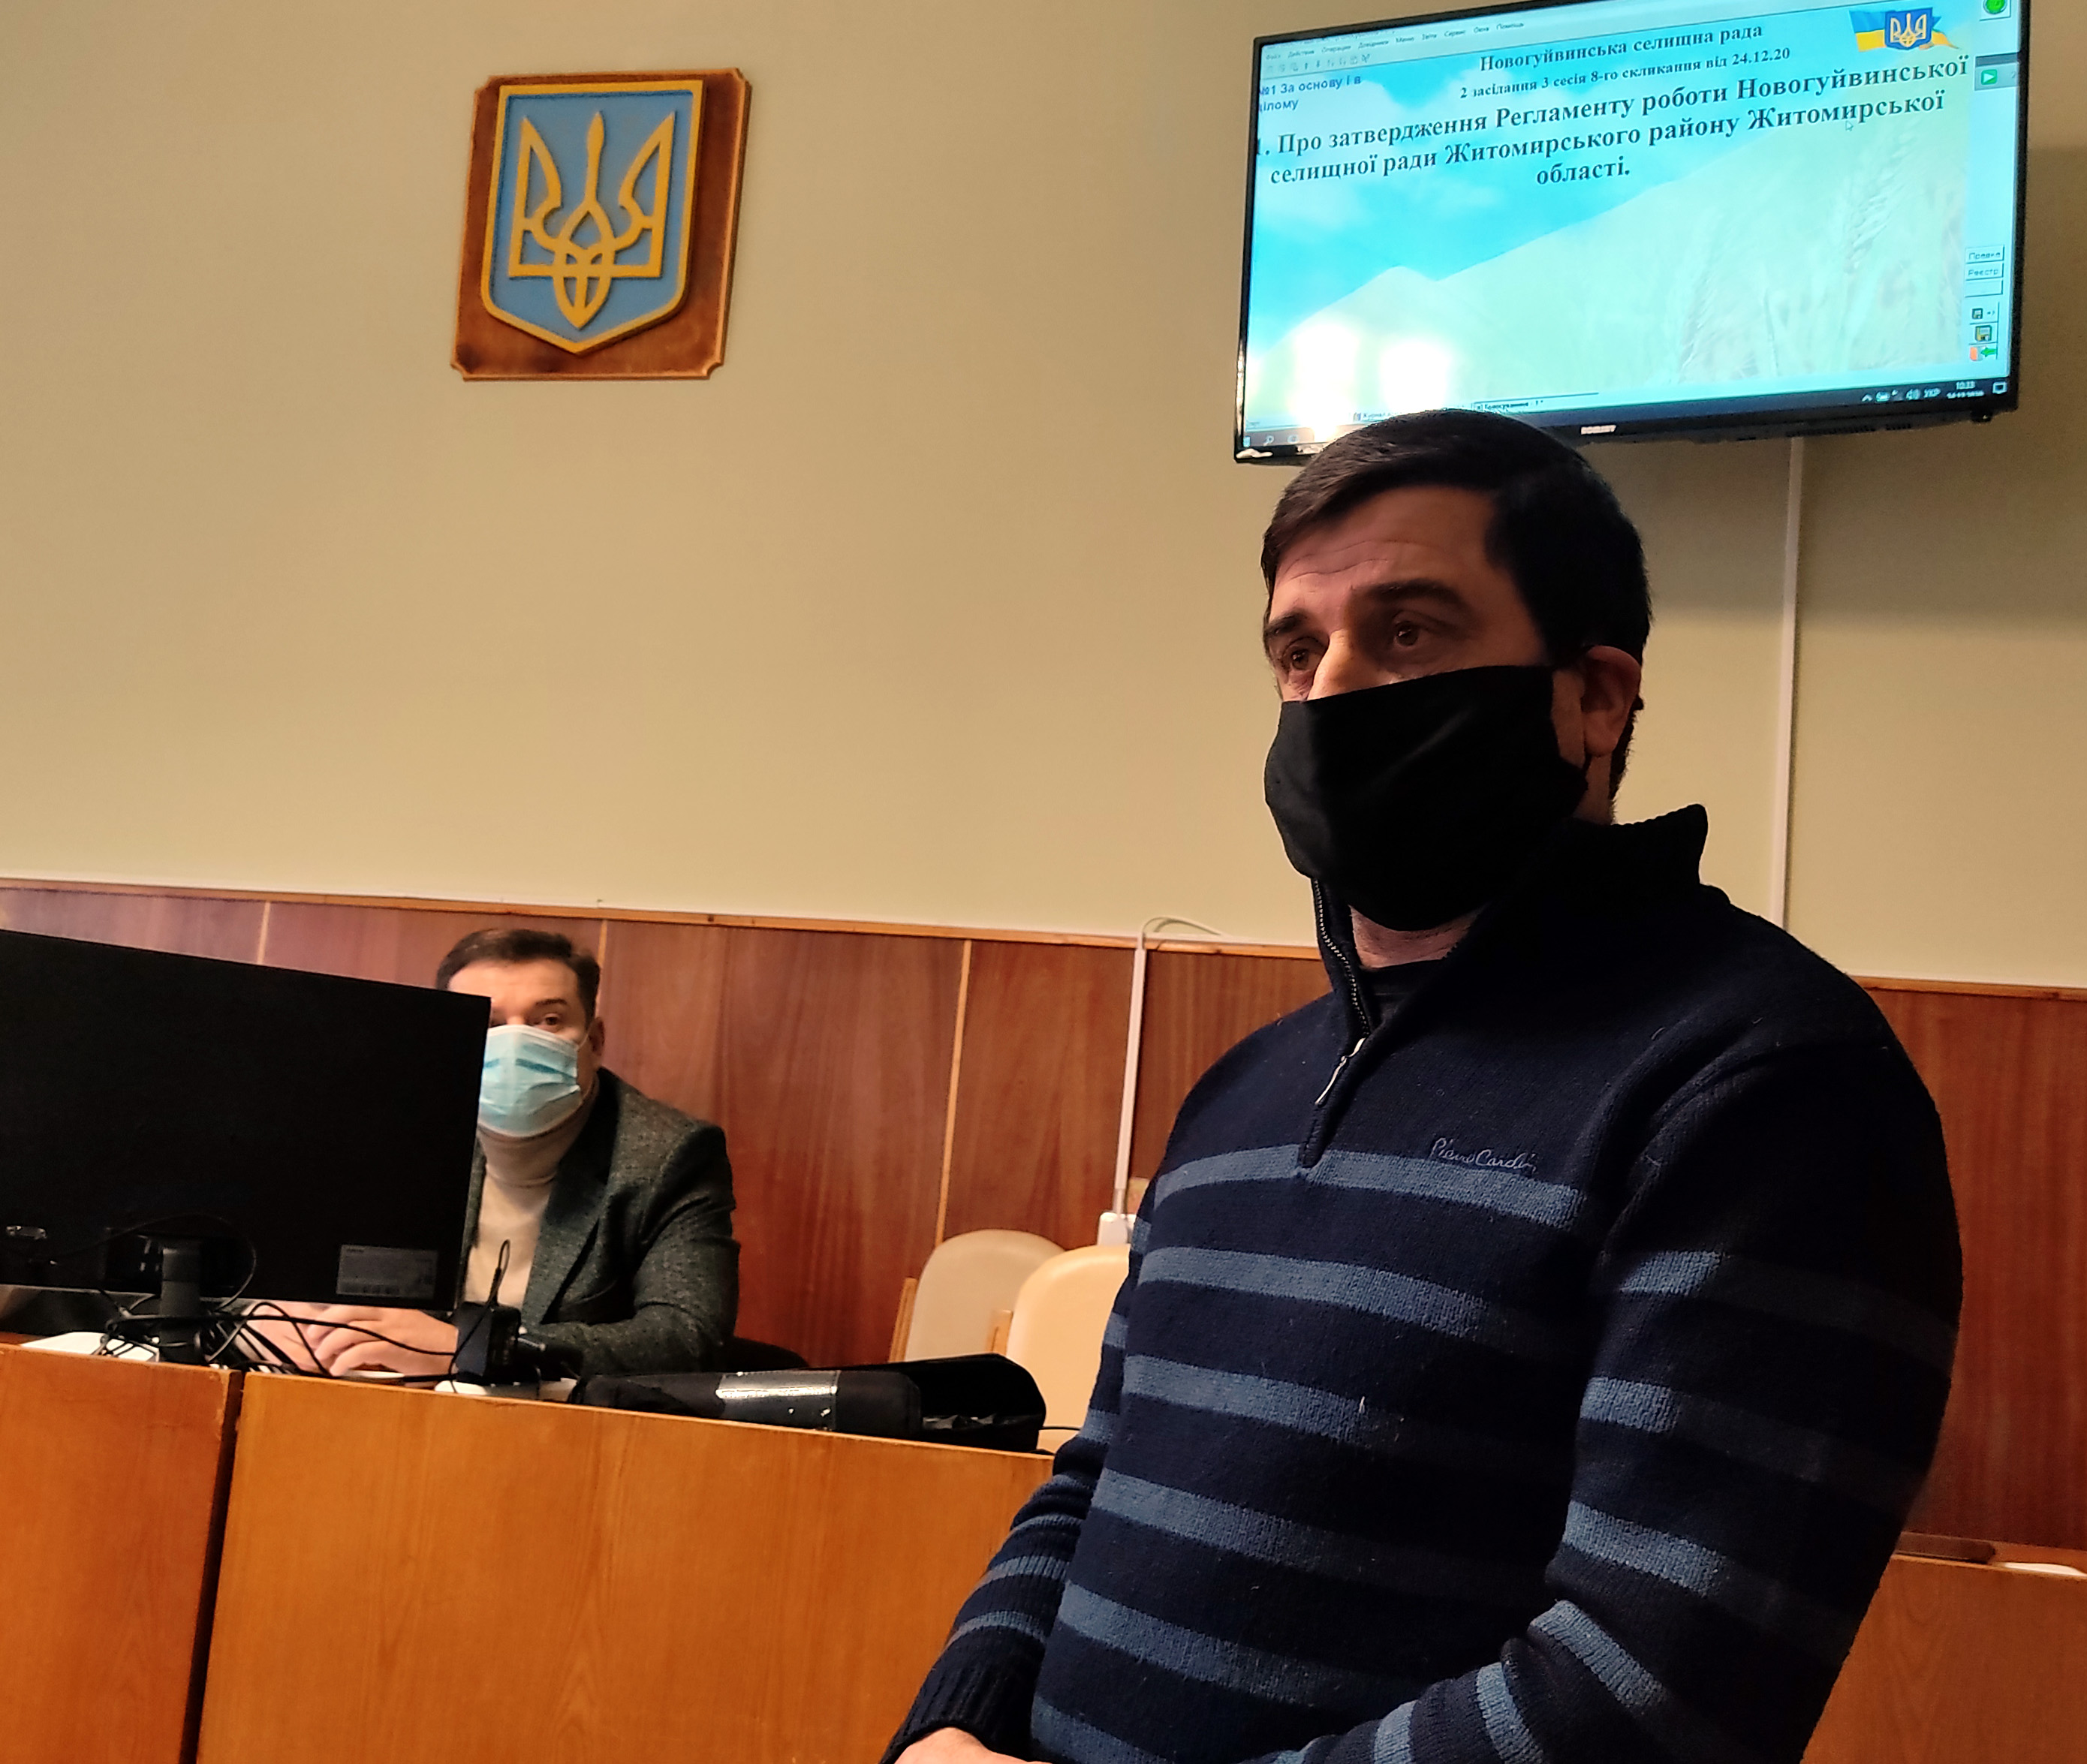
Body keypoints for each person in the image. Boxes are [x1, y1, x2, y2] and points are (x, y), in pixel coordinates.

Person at [887, 410, 1962, 1764]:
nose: (1332, 688)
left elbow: (1651, 1694)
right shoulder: (1242, 1092)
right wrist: (956, 1722)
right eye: (1298, 650)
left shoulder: (1765, 1084)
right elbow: (1097, 1475)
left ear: (1595, 698)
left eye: (1408, 632)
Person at [264, 928, 738, 1379]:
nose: (514, 1043)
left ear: (594, 1042)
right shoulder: (392, 1131)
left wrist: (470, 1348)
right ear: (444, 1045)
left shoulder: (667, 1154)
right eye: (487, 1025)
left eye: (548, 1021)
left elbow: (688, 1336)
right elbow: (271, 1271)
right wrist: (271, 1321)